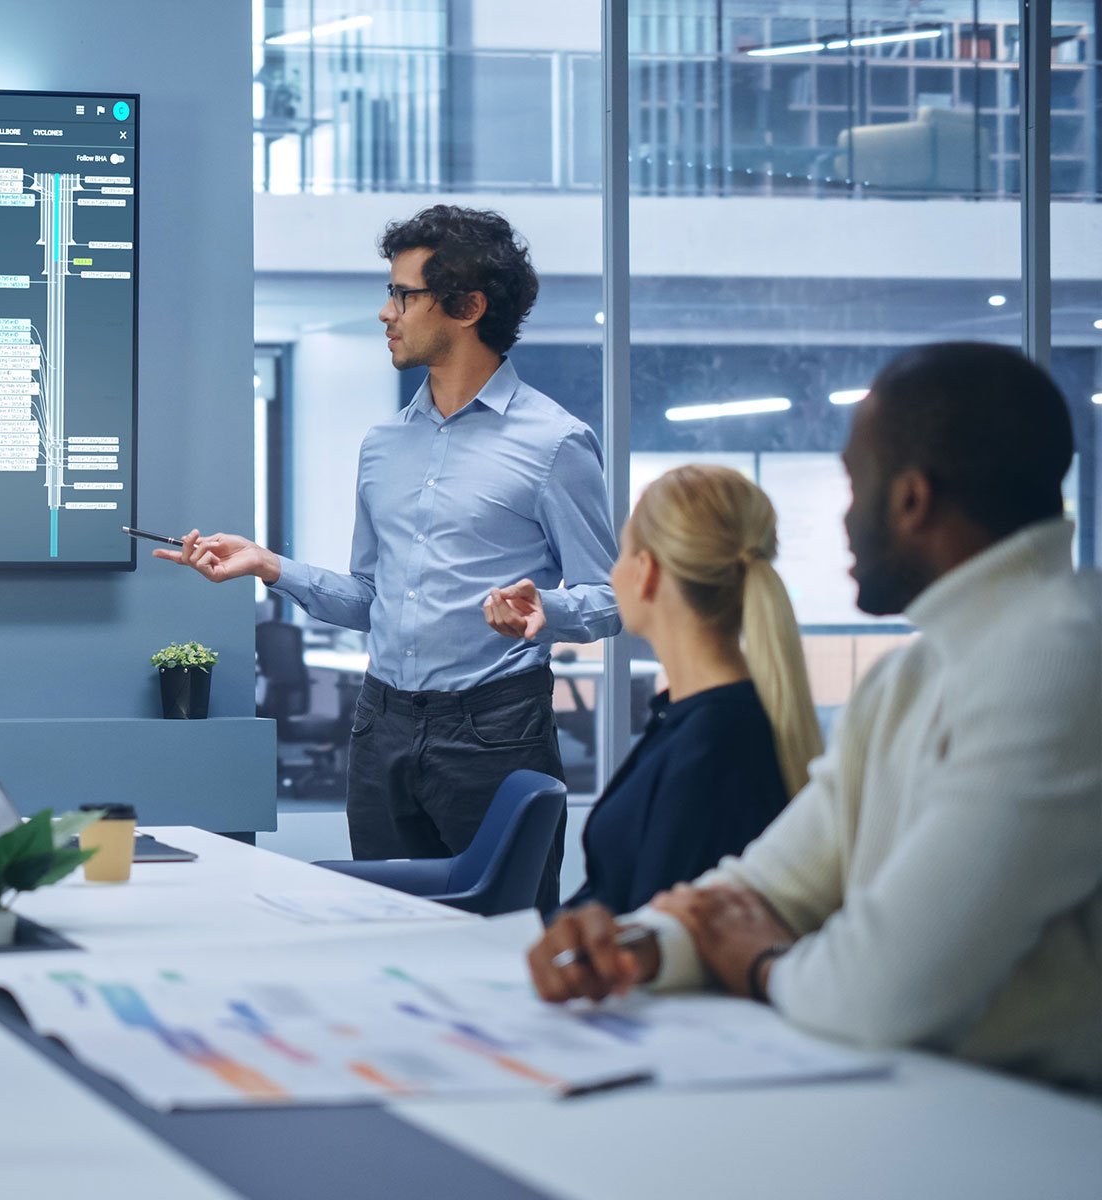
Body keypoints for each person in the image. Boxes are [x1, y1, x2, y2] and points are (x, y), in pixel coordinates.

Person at [528, 343, 1102, 1095]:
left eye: (854, 484)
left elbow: (881, 985)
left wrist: (763, 964)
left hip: (1029, 1129)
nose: (845, 517)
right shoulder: (909, 677)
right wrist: (636, 945)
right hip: (924, 1105)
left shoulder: (1061, 664)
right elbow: (767, 886)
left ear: (912, 500)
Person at [159, 205, 618, 913]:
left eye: (404, 295)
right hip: (382, 726)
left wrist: (544, 611)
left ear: (468, 307)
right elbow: (370, 598)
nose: (386, 312)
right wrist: (269, 565)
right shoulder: (383, 446)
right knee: (380, 923)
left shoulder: (555, 443)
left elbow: (610, 598)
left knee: (502, 937)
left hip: (495, 732)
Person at [561, 465, 819, 914]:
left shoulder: (713, 749)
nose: (613, 573)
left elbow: (649, 935)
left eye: (622, 553)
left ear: (646, 572)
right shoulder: (701, 721)